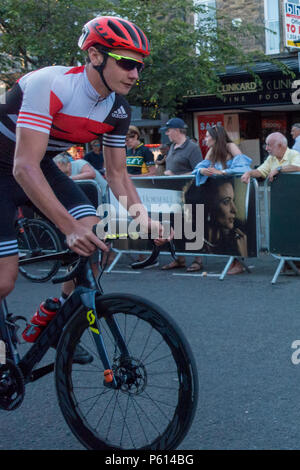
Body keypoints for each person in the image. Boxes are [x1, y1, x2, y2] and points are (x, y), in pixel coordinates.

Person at [0, 16, 168, 362]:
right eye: (126, 63)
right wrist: (68, 227)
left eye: (139, 66)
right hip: (11, 168)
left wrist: (144, 220)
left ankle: (59, 319)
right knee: (4, 280)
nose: (135, 74)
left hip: (40, 166)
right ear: (94, 55)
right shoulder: (51, 84)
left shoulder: (118, 109)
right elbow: (22, 166)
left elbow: (118, 174)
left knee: (94, 244)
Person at [192, 125, 251, 274]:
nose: (204, 139)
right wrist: (201, 170)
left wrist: (222, 172)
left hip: (233, 194)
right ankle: (232, 261)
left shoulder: (230, 146)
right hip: (218, 197)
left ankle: (237, 262)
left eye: (207, 136)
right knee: (221, 227)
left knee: (233, 227)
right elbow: (199, 168)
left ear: (215, 137)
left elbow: (243, 167)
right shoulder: (212, 151)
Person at [160, 117, 203, 271]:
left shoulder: (192, 147)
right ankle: (180, 258)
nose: (167, 133)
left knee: (193, 225)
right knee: (175, 224)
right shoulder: (172, 147)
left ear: (177, 130)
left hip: (190, 192)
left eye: (169, 130)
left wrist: (174, 176)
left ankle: (198, 260)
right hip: (174, 194)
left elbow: (199, 170)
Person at [184, 177, 248, 259]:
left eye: (233, 200)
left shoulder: (239, 237)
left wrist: (242, 254)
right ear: (208, 206)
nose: (234, 209)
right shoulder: (188, 236)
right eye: (226, 202)